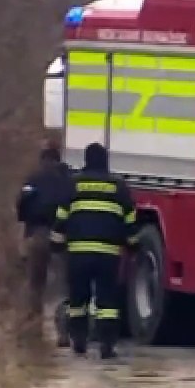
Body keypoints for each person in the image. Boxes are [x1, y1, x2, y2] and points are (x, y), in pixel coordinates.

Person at [49, 142, 138, 359]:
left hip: (78, 254)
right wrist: (132, 245)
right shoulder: (119, 186)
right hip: (108, 255)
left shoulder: (73, 184)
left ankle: (79, 340)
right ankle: (106, 345)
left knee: (78, 299)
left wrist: (57, 245)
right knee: (107, 301)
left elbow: (61, 217)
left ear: (86, 160)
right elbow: (130, 220)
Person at [16, 144, 73, 346]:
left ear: (43, 160)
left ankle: (34, 333)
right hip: (65, 237)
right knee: (62, 288)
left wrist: (25, 222)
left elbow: (22, 203)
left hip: (39, 234)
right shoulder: (69, 180)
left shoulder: (34, 178)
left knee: (36, 286)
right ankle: (63, 334)